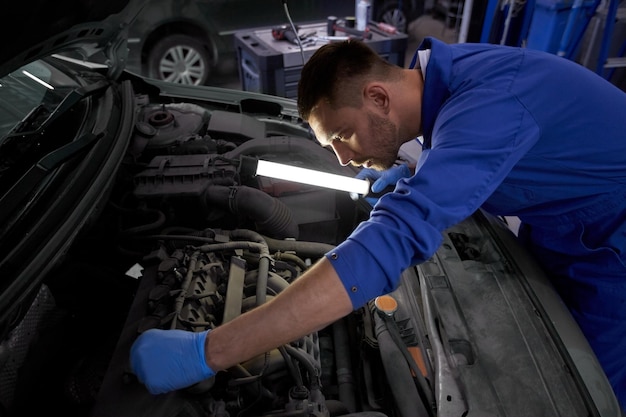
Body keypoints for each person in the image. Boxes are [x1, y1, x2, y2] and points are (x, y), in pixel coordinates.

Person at [130, 37, 626, 411]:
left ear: (378, 97)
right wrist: (416, 169)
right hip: (569, 220)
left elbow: (392, 242)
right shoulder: (449, 81)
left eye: (343, 135)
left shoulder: (492, 105)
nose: (344, 160)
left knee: (588, 392)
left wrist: (211, 351)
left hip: (612, 252)